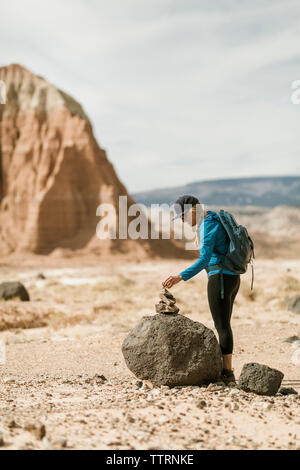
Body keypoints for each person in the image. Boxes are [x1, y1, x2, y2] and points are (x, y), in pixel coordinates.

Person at [163, 195, 240, 384]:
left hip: (220, 278)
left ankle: (227, 374)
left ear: (193, 210)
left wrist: (179, 277)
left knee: (222, 326)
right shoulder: (211, 221)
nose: (182, 220)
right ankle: (227, 372)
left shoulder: (208, 225)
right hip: (230, 277)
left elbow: (204, 259)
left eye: (183, 215)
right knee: (224, 325)